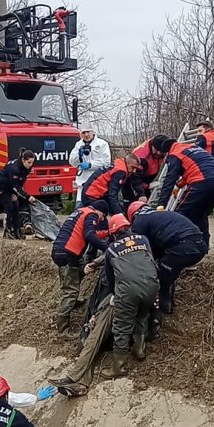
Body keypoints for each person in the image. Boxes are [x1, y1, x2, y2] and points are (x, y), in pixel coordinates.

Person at [101, 214, 159, 379]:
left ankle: (118, 367)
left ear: (113, 233)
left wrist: (115, 294)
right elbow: (150, 259)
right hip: (152, 284)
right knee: (143, 315)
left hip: (128, 290)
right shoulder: (143, 239)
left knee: (122, 326)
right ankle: (139, 350)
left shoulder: (111, 249)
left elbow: (110, 278)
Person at [127, 201, 208, 313]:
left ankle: (158, 310)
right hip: (199, 246)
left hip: (184, 247)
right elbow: (157, 246)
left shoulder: (140, 220)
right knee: (168, 271)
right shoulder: (160, 216)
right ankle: (166, 305)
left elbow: (140, 247)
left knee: (161, 278)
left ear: (133, 215)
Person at [51, 201, 109, 338]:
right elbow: (89, 235)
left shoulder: (80, 211)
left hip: (61, 250)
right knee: (70, 291)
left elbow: (87, 232)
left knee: (82, 270)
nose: (100, 220)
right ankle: (63, 330)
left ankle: (72, 301)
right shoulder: (93, 214)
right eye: (102, 217)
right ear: (100, 212)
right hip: (68, 254)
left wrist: (108, 232)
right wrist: (106, 248)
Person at [157, 138, 214, 247]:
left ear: (166, 153)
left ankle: (175, 244)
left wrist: (161, 204)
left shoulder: (175, 154)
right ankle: (203, 245)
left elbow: (169, 180)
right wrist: (178, 186)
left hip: (201, 184)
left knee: (180, 213)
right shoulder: (192, 148)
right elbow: (194, 170)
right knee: (200, 213)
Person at [0, 149, 36, 239]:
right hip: (1, 186)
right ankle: (8, 231)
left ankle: (17, 231)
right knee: (9, 206)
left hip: (11, 186)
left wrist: (15, 194)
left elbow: (19, 183)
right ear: (23, 160)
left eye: (32, 162)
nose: (30, 165)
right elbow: (15, 185)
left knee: (16, 206)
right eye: (29, 162)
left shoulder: (26, 168)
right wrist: (27, 196)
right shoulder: (14, 169)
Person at [69, 126, 112, 207]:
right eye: (83, 133)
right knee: (79, 209)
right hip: (82, 182)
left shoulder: (102, 144)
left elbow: (106, 162)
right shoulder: (78, 144)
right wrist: (79, 156)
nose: (86, 135)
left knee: (95, 209)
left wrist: (90, 165)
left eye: (88, 132)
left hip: (96, 182)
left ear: (93, 132)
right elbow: (72, 162)